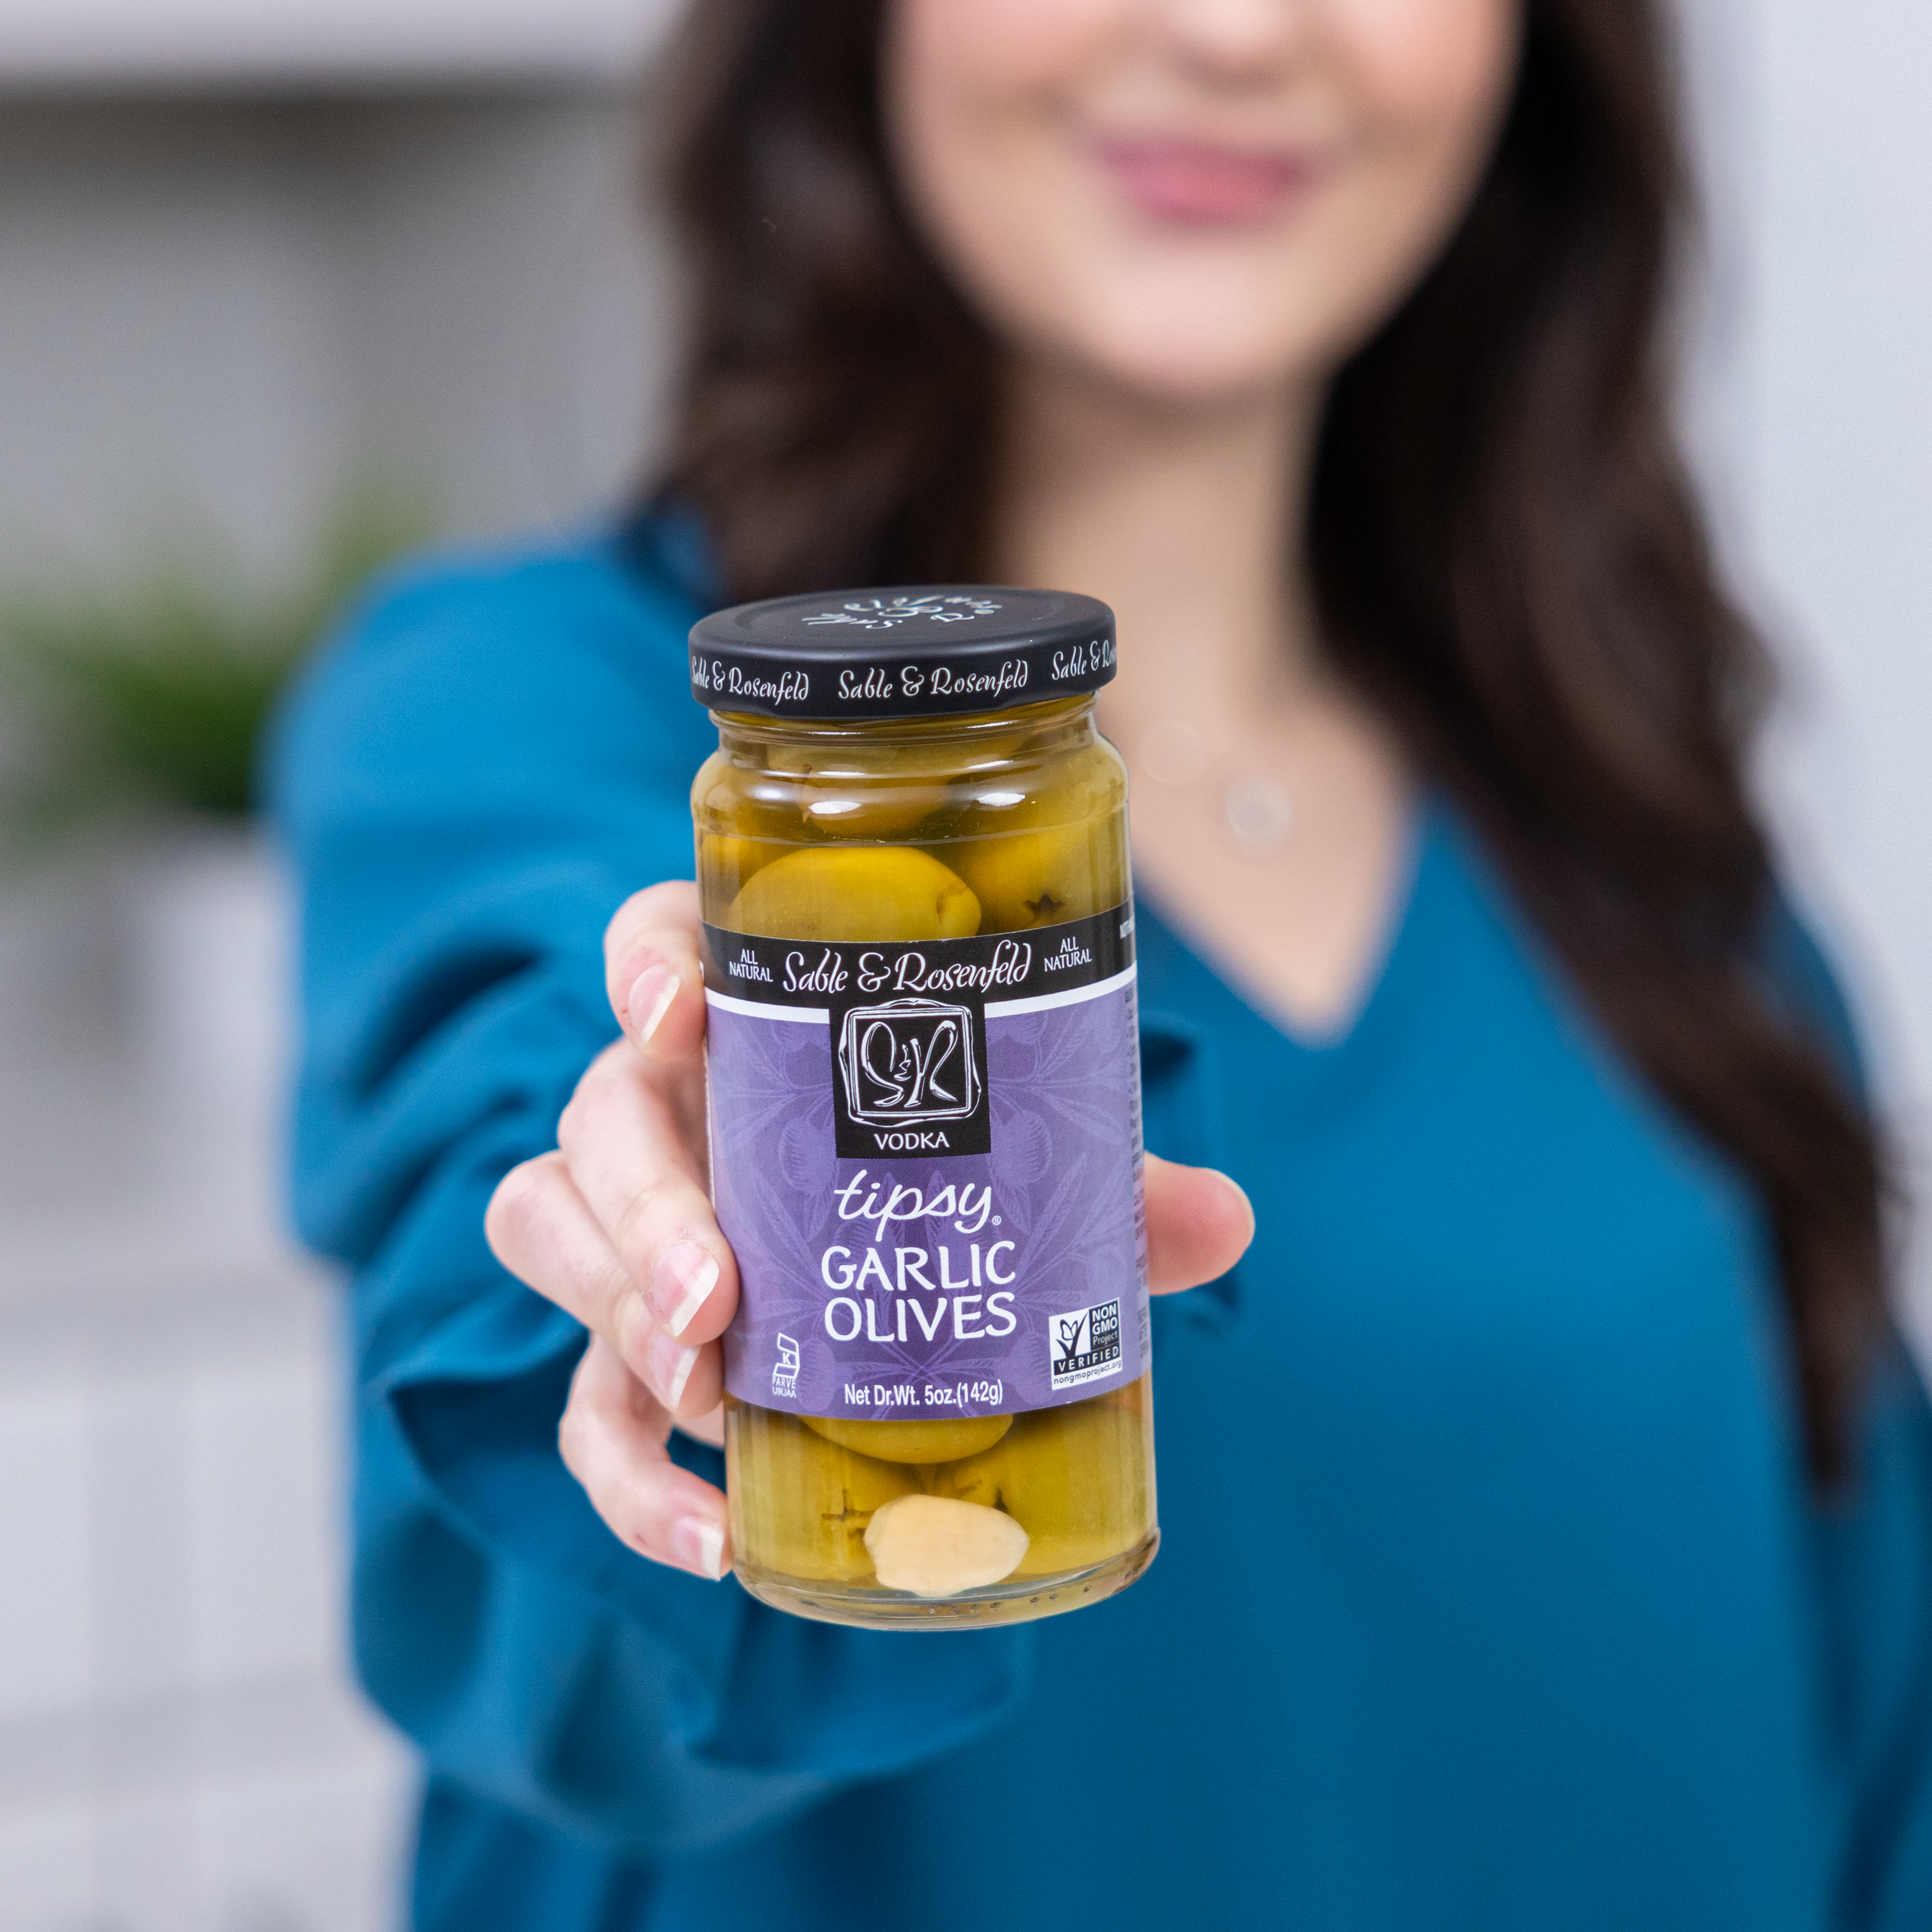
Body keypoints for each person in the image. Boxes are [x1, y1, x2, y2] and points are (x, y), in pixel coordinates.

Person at [270, 0, 1932, 1926]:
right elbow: (546, 1488)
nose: (1232, 29)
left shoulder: (1667, 881)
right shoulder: (524, 716)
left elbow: (1876, 1723)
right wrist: (659, 1242)